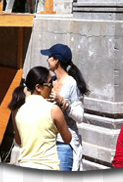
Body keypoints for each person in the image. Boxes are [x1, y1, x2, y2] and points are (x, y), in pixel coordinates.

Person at [9, 66, 72, 170]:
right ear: (38, 87)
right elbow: (67, 138)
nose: (52, 87)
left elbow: (19, 141)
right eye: (50, 83)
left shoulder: (18, 111)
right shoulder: (53, 110)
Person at [41, 43, 89, 171]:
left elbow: (80, 116)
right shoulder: (50, 81)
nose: (47, 59)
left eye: (50, 56)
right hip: (48, 142)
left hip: (64, 144)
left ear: (56, 60)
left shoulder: (71, 83)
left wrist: (62, 102)